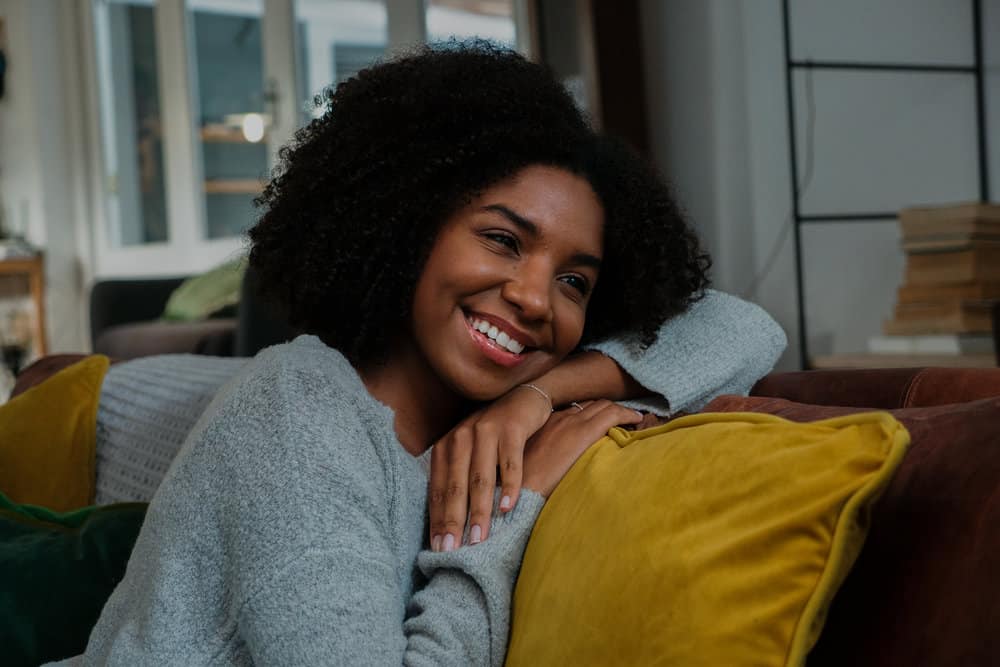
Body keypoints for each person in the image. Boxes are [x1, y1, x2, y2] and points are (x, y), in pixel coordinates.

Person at [78, 43, 785, 665]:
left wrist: (534, 396)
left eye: (575, 280)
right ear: (408, 226)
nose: (537, 299)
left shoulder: (481, 427)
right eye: (503, 239)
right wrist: (505, 521)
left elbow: (749, 330)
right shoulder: (297, 409)